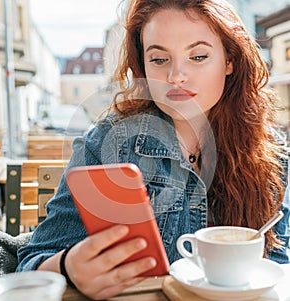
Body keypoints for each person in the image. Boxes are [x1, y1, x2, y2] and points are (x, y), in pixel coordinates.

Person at [17, 0, 290, 299]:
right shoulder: (108, 142)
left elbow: (278, 260)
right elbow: (32, 263)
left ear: (230, 60)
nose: (176, 76)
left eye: (198, 56)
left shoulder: (270, 150)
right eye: (159, 60)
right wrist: (68, 268)